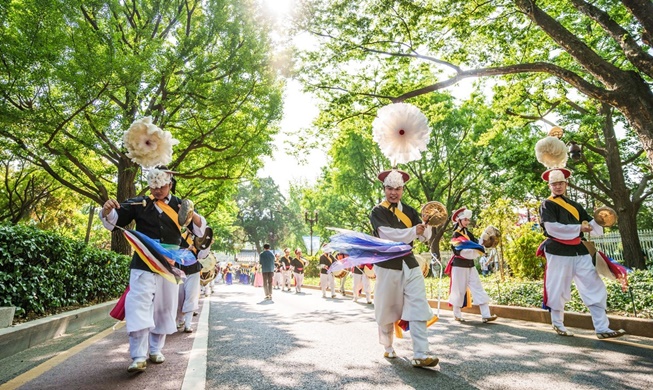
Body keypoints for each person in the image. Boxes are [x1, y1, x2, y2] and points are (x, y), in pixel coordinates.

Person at [99, 167, 207, 373]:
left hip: (169, 264)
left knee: (164, 307)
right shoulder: (140, 203)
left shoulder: (180, 205)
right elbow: (114, 219)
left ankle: (156, 349)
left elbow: (200, 230)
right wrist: (107, 210)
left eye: (162, 186)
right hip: (143, 262)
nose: (157, 190)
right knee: (138, 305)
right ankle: (138, 356)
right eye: (154, 186)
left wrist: (193, 215)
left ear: (170, 184)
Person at [538, 168, 626, 339]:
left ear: (566, 184)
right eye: (554, 184)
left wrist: (601, 219)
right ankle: (558, 323)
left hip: (579, 250)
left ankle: (602, 328)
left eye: (561, 183)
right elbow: (551, 228)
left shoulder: (575, 205)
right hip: (558, 250)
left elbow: (591, 223)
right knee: (558, 287)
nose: (558, 186)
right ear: (549, 186)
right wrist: (579, 228)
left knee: (594, 286)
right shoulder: (547, 204)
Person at [369, 169, 439, 368]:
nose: (394, 192)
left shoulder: (409, 210)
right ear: (384, 188)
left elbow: (425, 237)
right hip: (387, 264)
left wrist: (427, 226)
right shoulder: (377, 211)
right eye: (390, 188)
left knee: (418, 305)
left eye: (398, 188)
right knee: (386, 308)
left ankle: (421, 353)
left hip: (409, 262)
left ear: (403, 189)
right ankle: (388, 346)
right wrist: (412, 231)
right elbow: (386, 234)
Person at [446, 207, 497, 323]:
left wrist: (484, 240)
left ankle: (486, 314)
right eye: (465, 220)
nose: (468, 222)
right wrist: (476, 252)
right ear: (459, 220)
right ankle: (457, 314)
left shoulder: (468, 233)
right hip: (459, 266)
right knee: (458, 290)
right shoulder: (455, 235)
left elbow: (477, 245)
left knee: (478, 288)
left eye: (468, 220)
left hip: (470, 265)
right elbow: (459, 251)